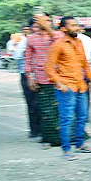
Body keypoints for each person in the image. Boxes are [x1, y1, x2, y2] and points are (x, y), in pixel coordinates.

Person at [46, 16, 91, 161]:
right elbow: (48, 67)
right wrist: (59, 83)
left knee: (82, 117)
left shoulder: (79, 42)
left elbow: (84, 62)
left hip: (81, 86)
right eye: (72, 25)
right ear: (63, 29)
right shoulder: (58, 45)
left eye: (76, 25)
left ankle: (80, 144)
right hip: (67, 87)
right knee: (66, 119)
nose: (76, 27)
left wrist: (90, 79)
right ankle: (66, 149)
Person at [23, 12, 61, 148]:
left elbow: (62, 43)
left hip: (59, 78)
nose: (46, 23)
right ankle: (47, 139)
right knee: (45, 111)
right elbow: (28, 60)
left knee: (59, 110)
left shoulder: (58, 36)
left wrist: (50, 30)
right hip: (41, 78)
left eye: (48, 20)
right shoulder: (32, 38)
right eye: (42, 21)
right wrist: (30, 78)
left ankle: (62, 138)